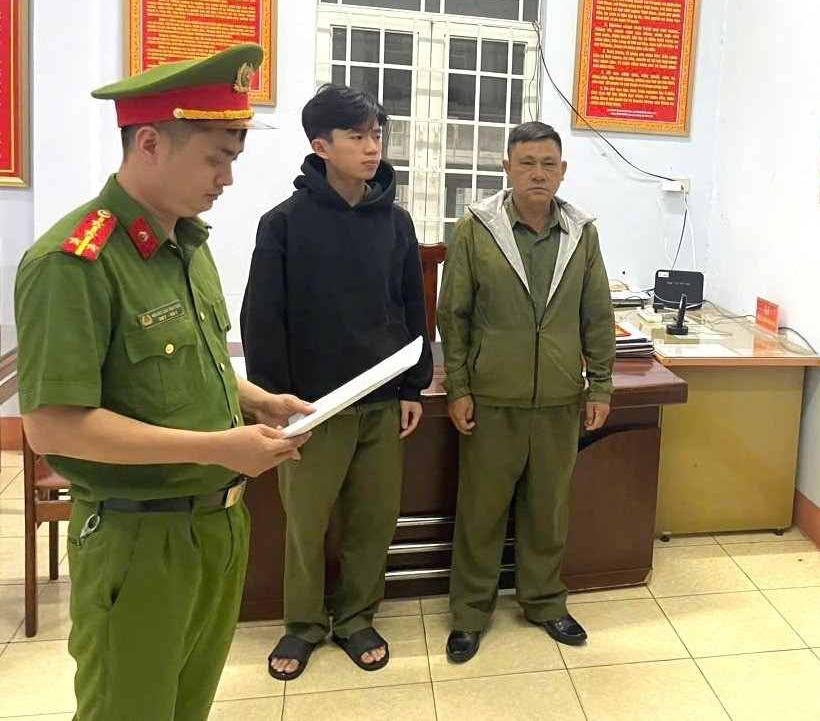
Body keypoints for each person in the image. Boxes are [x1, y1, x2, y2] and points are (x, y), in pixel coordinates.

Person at [15, 43, 315, 721]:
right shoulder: (74, 261)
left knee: (186, 708)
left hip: (216, 527)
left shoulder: (187, 244)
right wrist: (215, 447)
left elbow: (181, 362)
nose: (227, 179)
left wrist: (256, 400)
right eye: (216, 158)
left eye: (234, 159)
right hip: (137, 538)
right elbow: (54, 427)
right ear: (149, 142)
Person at [240, 83, 434, 679]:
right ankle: (302, 625)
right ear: (320, 146)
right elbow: (262, 318)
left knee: (373, 521)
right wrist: (272, 402)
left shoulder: (396, 222)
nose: (372, 147)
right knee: (306, 525)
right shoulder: (283, 224)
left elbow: (413, 306)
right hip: (310, 407)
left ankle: (355, 617)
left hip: (381, 399)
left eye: (377, 134)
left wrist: (412, 386)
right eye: (357, 136)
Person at [438, 120, 615, 663]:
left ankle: (544, 602)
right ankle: (471, 614)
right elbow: (453, 313)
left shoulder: (581, 232)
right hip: (493, 398)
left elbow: (597, 314)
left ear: (562, 171)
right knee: (481, 513)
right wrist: (458, 386)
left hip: (560, 399)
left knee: (548, 511)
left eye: (548, 164)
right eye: (527, 163)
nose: (538, 174)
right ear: (507, 168)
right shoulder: (477, 228)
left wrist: (600, 384)